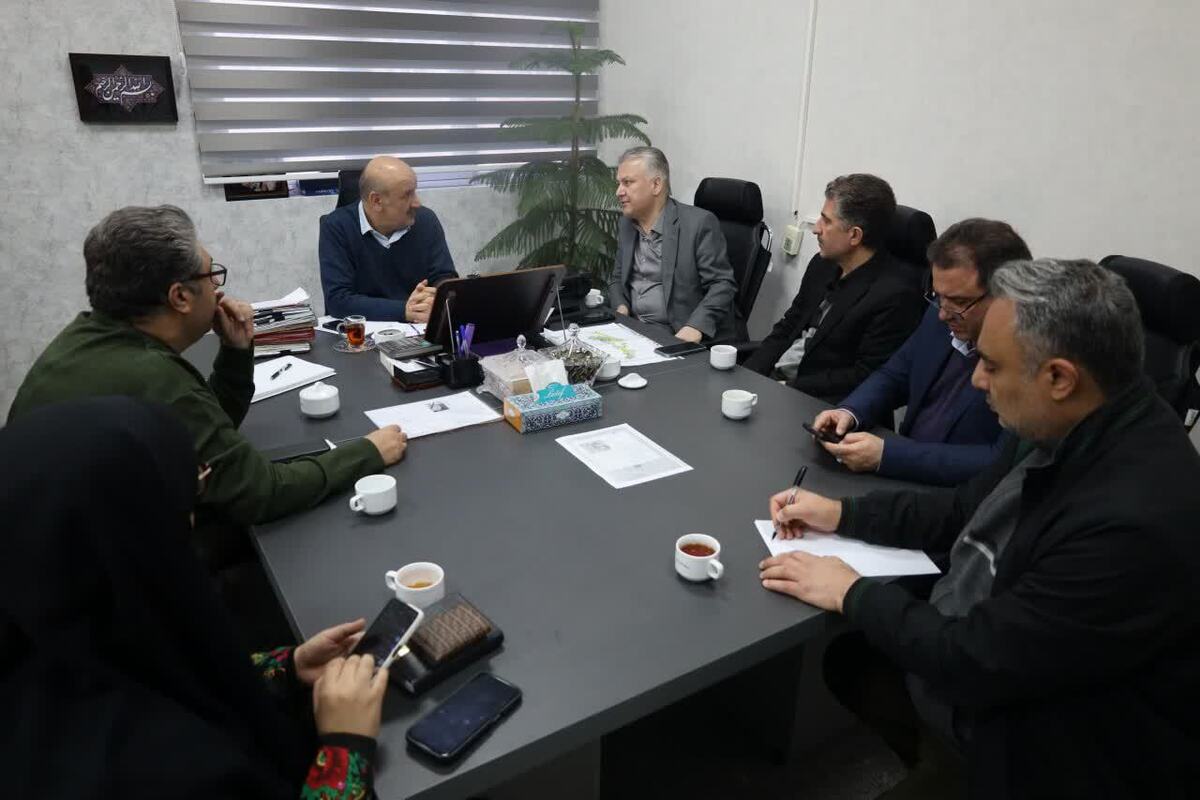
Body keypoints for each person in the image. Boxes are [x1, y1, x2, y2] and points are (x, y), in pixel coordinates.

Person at [760, 259, 1200, 798]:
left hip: (1051, 749)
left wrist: (851, 591)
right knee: (850, 661)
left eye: (991, 365)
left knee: (859, 650)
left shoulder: (1130, 522)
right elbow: (962, 509)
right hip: (998, 671)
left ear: (1059, 378)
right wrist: (841, 514)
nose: (976, 379)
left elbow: (976, 658)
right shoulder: (1066, 420)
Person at [0, 397, 389, 798]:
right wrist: (345, 747)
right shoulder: (168, 768)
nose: (192, 517)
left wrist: (286, 668)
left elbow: (158, 673)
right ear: (133, 533)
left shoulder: (38, 651)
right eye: (188, 497)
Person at [7, 205, 407, 527]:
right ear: (180, 297)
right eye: (212, 275)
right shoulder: (153, 377)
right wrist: (367, 453)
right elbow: (260, 493)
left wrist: (235, 351)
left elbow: (204, 435)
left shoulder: (83, 337)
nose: (218, 289)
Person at [812, 218, 1031, 486]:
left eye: (959, 301)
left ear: (1006, 296)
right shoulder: (942, 315)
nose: (943, 314)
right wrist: (850, 411)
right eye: (939, 296)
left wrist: (889, 456)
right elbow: (895, 374)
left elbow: (1000, 461)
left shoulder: (1029, 358)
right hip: (897, 479)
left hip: (953, 494)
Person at [744, 174, 923, 404]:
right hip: (778, 386)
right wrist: (749, 376)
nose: (816, 229)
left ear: (854, 235)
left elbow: (865, 376)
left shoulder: (896, 293)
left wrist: (786, 389)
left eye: (826, 221)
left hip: (826, 405)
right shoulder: (823, 264)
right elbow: (789, 325)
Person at [608, 146, 738, 342]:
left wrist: (694, 327)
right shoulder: (626, 224)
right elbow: (617, 278)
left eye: (627, 182)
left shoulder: (698, 224)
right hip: (634, 331)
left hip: (676, 335)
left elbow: (722, 285)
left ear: (656, 185)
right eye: (619, 183)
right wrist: (621, 309)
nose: (619, 191)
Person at [319, 156, 458, 322]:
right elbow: (338, 300)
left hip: (419, 329)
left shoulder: (425, 220)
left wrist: (436, 298)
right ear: (377, 201)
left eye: (415, 191)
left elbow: (445, 279)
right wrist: (404, 310)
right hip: (363, 333)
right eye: (407, 194)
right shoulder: (336, 227)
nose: (417, 203)